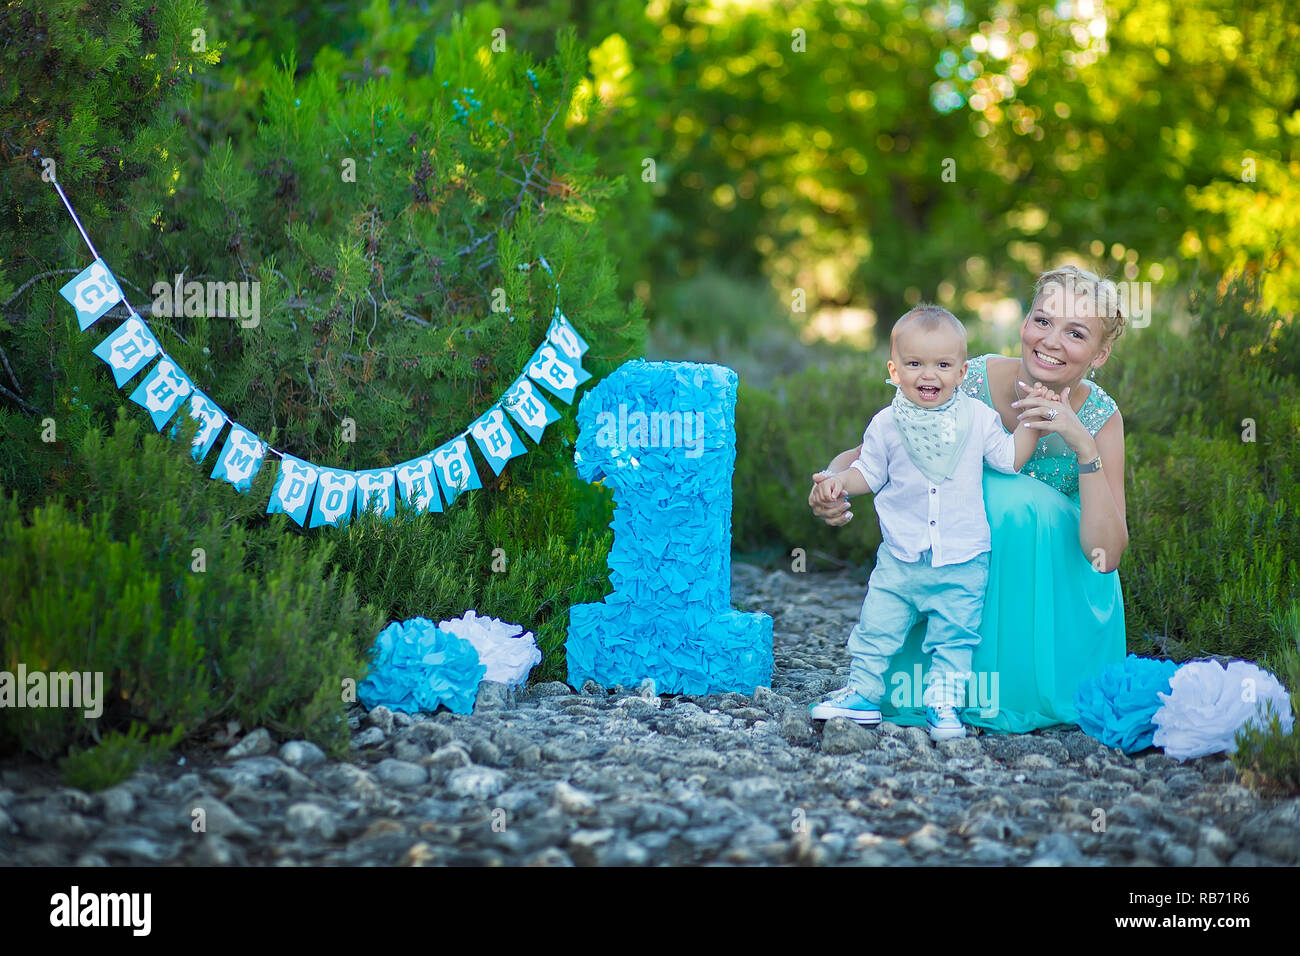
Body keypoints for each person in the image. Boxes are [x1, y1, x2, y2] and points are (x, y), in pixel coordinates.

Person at [809, 265, 1129, 733]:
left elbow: (1106, 558)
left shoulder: (1101, 417)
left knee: (1011, 501)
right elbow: (871, 455)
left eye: (1075, 333)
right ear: (1024, 324)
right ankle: (929, 690)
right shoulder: (965, 381)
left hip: (1051, 606)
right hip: (952, 576)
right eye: (1042, 321)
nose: (1051, 341)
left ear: (1099, 354)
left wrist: (1084, 447)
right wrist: (831, 483)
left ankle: (1000, 685)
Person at [807, 305, 1049, 740]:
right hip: (900, 557)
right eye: (914, 364)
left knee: (954, 639)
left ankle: (944, 706)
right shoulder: (885, 424)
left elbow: (1009, 460)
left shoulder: (978, 418)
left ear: (961, 372)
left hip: (963, 558)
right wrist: (837, 481)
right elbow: (869, 472)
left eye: (942, 365)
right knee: (876, 628)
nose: (928, 375)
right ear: (894, 369)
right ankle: (863, 692)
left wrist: (1033, 422)